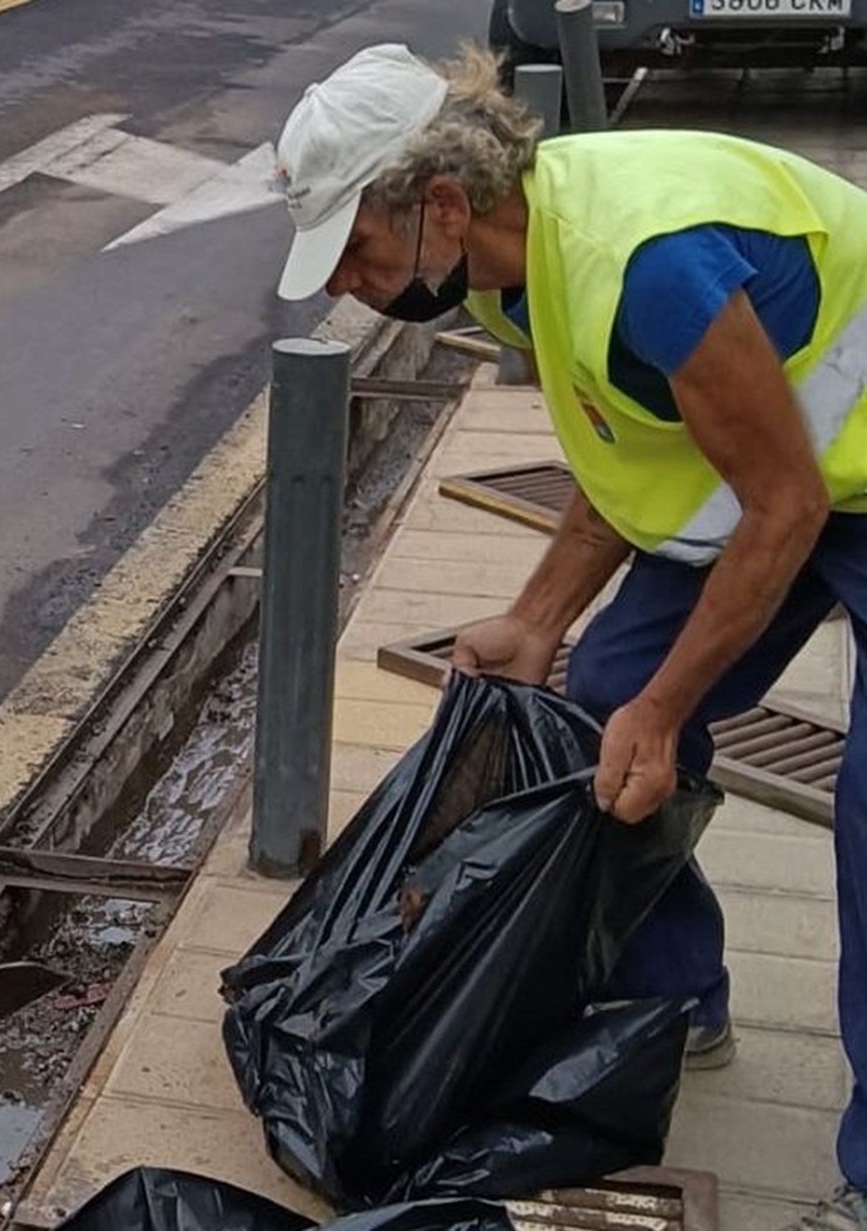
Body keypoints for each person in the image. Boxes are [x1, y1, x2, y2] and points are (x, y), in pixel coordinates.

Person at [272, 42, 867, 1230]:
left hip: (817, 485)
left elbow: (786, 509)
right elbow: (628, 450)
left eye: (356, 251)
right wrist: (537, 618)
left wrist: (669, 705)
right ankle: (671, 1000)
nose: (349, 284)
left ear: (438, 203)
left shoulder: (643, 266)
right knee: (598, 699)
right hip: (786, 473)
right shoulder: (509, 272)